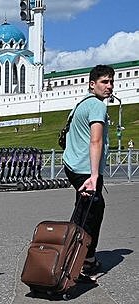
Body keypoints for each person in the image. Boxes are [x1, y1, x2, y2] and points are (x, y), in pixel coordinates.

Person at [63, 64, 115, 281]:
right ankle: (83, 262)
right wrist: (94, 177)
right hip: (86, 169)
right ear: (92, 84)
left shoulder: (80, 104)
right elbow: (96, 140)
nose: (109, 86)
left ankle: (75, 255)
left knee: (84, 211)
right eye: (104, 82)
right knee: (92, 214)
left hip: (73, 166)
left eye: (112, 81)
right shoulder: (96, 106)